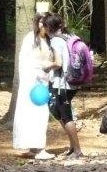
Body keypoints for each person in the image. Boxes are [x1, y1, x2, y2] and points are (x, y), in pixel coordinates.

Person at [12, 9, 55, 160]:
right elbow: (25, 62)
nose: (44, 26)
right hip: (32, 83)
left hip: (43, 82)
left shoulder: (48, 40)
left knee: (41, 115)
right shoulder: (30, 39)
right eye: (41, 23)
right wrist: (38, 72)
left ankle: (37, 147)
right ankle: (37, 149)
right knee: (33, 114)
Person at [41, 12, 83, 158]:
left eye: (44, 26)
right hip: (72, 82)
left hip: (62, 84)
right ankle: (72, 147)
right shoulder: (69, 36)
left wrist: (47, 66)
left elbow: (58, 63)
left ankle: (77, 151)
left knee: (66, 116)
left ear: (48, 27)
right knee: (58, 112)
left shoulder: (55, 41)